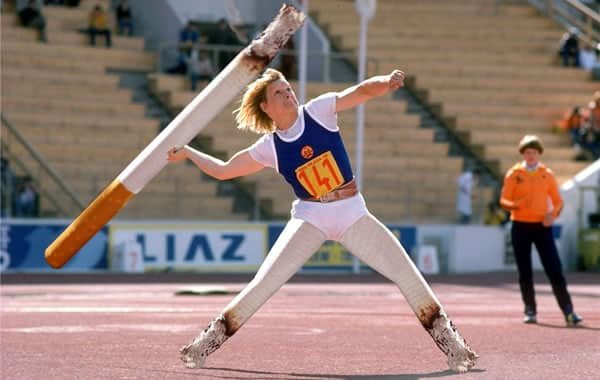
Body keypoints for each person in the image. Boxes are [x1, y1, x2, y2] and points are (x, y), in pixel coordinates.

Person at [167, 68, 477, 372]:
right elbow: (223, 170)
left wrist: (385, 82)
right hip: (310, 215)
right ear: (266, 107)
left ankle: (453, 346)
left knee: (407, 274)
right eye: (279, 92)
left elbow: (360, 93)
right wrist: (190, 153)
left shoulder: (318, 111)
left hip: (351, 211)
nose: (288, 93)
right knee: (263, 285)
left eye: (288, 88)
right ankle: (205, 344)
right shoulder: (270, 147)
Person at [499, 135, 583, 326]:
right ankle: (530, 310)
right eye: (527, 152)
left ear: (539, 154)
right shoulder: (514, 174)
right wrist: (515, 205)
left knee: (554, 269)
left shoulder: (547, 174)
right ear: (523, 154)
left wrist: (552, 215)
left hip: (542, 227)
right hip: (520, 226)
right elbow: (503, 201)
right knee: (525, 271)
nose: (531, 156)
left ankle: (568, 311)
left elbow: (558, 201)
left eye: (534, 152)